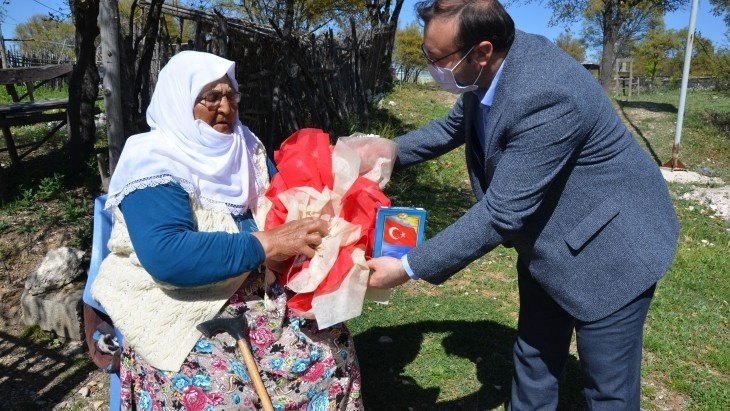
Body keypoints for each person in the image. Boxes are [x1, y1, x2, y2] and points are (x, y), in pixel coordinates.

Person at [367, 0, 679, 409]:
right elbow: (455, 125)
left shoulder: (547, 92)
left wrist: (408, 267)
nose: (431, 66)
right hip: (548, 239)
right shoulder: (495, 68)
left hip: (612, 248)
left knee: (608, 388)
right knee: (533, 357)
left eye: (438, 58)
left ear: (481, 51)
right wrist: (391, 150)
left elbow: (500, 213)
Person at [90, 51, 363, 410]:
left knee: (331, 349)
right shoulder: (153, 161)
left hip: (259, 288)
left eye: (231, 95)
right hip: (185, 302)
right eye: (211, 97)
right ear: (180, 99)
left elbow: (284, 198)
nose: (225, 108)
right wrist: (266, 243)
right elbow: (169, 255)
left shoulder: (246, 147)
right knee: (223, 393)